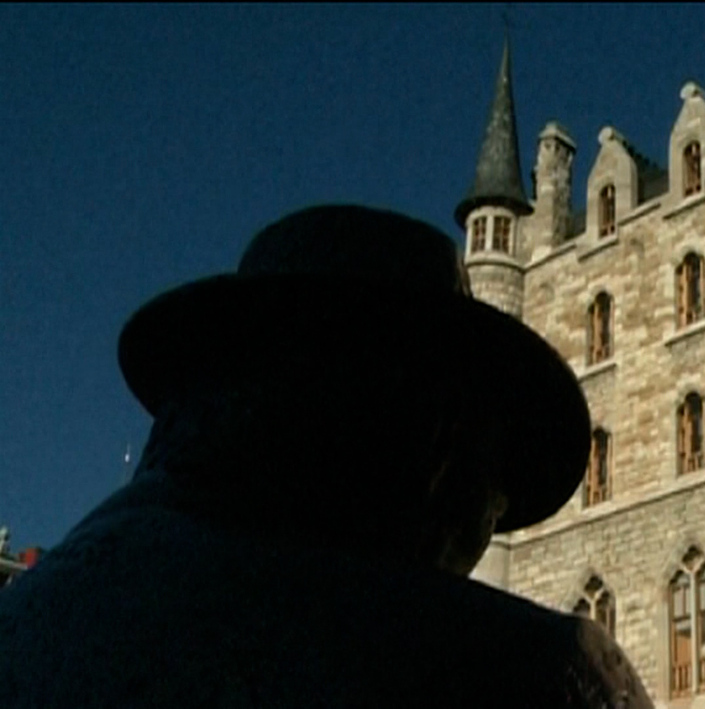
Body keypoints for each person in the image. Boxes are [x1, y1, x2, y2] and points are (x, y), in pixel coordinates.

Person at [0, 205, 652, 708]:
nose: (492, 520)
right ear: (437, 449)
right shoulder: (529, 666)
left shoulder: (33, 617)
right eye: (495, 482)